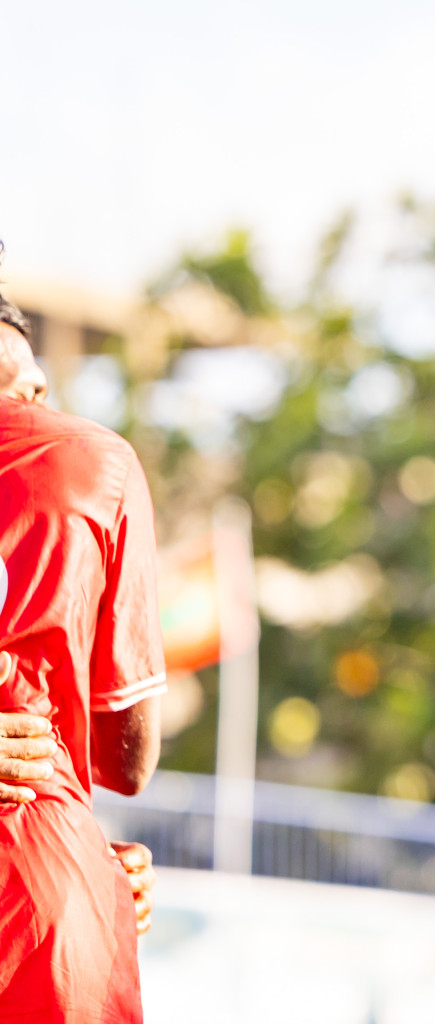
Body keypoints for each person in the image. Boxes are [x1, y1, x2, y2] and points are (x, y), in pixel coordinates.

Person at [0, 286, 166, 1021]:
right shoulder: (96, 462)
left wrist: (97, 860)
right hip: (50, 917)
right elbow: (127, 760)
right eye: (27, 394)